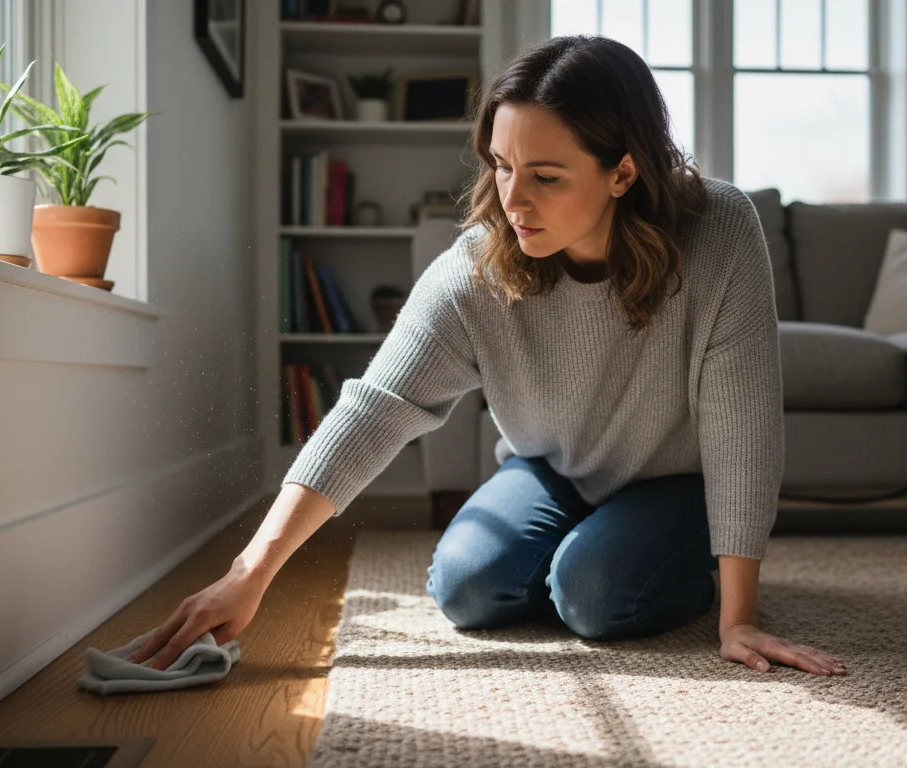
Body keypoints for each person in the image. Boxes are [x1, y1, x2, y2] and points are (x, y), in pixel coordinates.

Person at [130, 35, 846, 678]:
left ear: (622, 173)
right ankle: (590, 554)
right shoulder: (474, 268)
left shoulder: (720, 229)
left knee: (596, 598)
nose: (512, 200)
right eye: (501, 166)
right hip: (551, 467)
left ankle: (671, 567)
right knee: (468, 589)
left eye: (546, 176)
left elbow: (742, 427)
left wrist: (739, 619)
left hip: (674, 482)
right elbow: (374, 409)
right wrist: (250, 571)